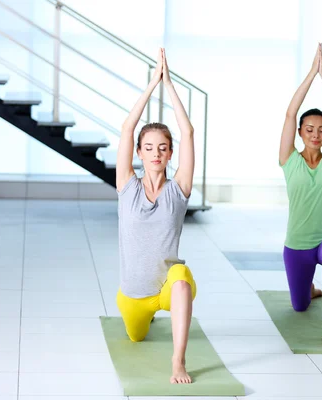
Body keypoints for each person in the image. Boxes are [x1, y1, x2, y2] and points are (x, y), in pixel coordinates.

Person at [115, 48, 197, 383]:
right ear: (139, 152)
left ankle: (178, 361)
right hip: (133, 295)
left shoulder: (180, 189)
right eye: (148, 148)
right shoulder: (127, 187)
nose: (155, 153)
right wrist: (152, 85)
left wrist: (170, 84)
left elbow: (188, 132)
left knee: (181, 279)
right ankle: (143, 320)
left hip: (164, 288)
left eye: (162, 148)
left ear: (170, 153)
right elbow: (126, 129)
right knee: (136, 335)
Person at [279, 43, 322, 344]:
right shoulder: (289, 160)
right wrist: (310, 74)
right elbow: (290, 113)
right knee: (299, 305)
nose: (316, 134)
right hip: (297, 244)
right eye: (309, 129)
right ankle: (310, 288)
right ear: (300, 132)